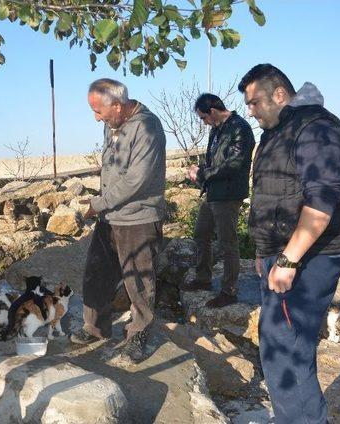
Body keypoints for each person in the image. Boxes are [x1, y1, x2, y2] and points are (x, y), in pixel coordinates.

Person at [238, 64, 340, 424]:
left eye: (254, 102)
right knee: (277, 345)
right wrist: (263, 252)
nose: (250, 111)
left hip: (310, 257)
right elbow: (273, 194)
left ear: (280, 95)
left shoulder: (315, 127)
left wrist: (287, 260)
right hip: (281, 254)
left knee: (287, 349)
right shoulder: (278, 131)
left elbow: (321, 200)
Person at [70, 78, 166, 363]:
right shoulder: (111, 125)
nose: (95, 117)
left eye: (99, 111)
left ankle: (138, 335)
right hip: (110, 216)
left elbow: (136, 179)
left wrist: (97, 204)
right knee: (97, 273)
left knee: (138, 281)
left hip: (137, 217)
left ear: (118, 104)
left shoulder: (148, 127)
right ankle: (96, 327)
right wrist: (104, 207)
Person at [180, 93, 255, 308]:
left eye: (204, 118)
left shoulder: (240, 128)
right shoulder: (217, 129)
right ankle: (204, 279)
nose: (204, 123)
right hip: (213, 192)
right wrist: (200, 171)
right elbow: (214, 161)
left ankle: (229, 291)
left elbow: (233, 164)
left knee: (227, 243)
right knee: (201, 234)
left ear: (212, 111)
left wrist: (202, 174)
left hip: (229, 194)